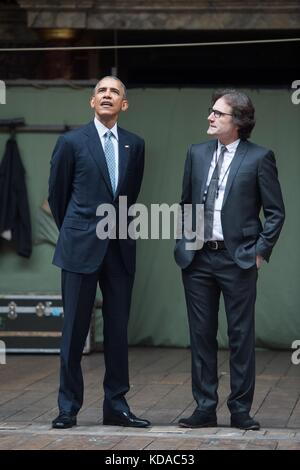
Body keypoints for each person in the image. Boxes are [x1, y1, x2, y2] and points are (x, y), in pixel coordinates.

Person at [174, 89, 285, 430]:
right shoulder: (196, 153)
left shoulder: (259, 157)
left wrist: (259, 251)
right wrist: (183, 242)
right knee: (201, 336)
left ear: (238, 121)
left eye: (218, 113)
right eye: (211, 111)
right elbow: (185, 204)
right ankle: (205, 408)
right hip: (197, 260)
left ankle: (240, 410)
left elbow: (276, 213)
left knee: (240, 336)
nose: (210, 117)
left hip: (238, 260)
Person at [48, 76, 150, 429]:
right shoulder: (71, 142)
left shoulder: (135, 145)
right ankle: (68, 407)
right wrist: (78, 231)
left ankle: (116, 405)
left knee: (118, 331)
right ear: (92, 102)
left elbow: (129, 195)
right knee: (74, 330)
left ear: (124, 104)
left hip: (119, 248)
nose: (108, 95)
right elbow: (59, 197)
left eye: (115, 92)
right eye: (101, 91)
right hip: (79, 248)